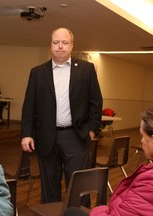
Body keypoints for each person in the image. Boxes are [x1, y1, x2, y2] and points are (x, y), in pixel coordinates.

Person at [21, 27, 103, 203]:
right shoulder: (37, 72)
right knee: (49, 187)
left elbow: (96, 102)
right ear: (50, 45)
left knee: (78, 187)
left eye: (65, 43)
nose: (60, 46)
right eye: (56, 42)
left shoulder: (86, 69)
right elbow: (29, 105)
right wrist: (26, 134)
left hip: (76, 136)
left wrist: (92, 130)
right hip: (45, 137)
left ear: (72, 45)